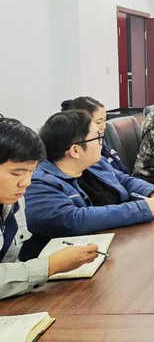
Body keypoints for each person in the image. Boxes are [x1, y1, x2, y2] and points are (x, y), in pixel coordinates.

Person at [21, 111, 154, 258]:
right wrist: (141, 209)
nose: (103, 143)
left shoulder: (94, 163)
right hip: (75, 262)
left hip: (118, 242)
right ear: (75, 151)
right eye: (98, 138)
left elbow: (124, 180)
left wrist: (153, 193)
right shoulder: (38, 182)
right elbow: (72, 220)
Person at [0, 118, 99, 299]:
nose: (26, 182)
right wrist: (50, 265)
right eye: (16, 173)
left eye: (31, 171)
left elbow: (10, 262)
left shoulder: (13, 198)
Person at [61, 96, 129, 174]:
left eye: (105, 120)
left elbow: (122, 177)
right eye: (98, 122)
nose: (104, 126)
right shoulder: (88, 157)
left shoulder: (104, 149)